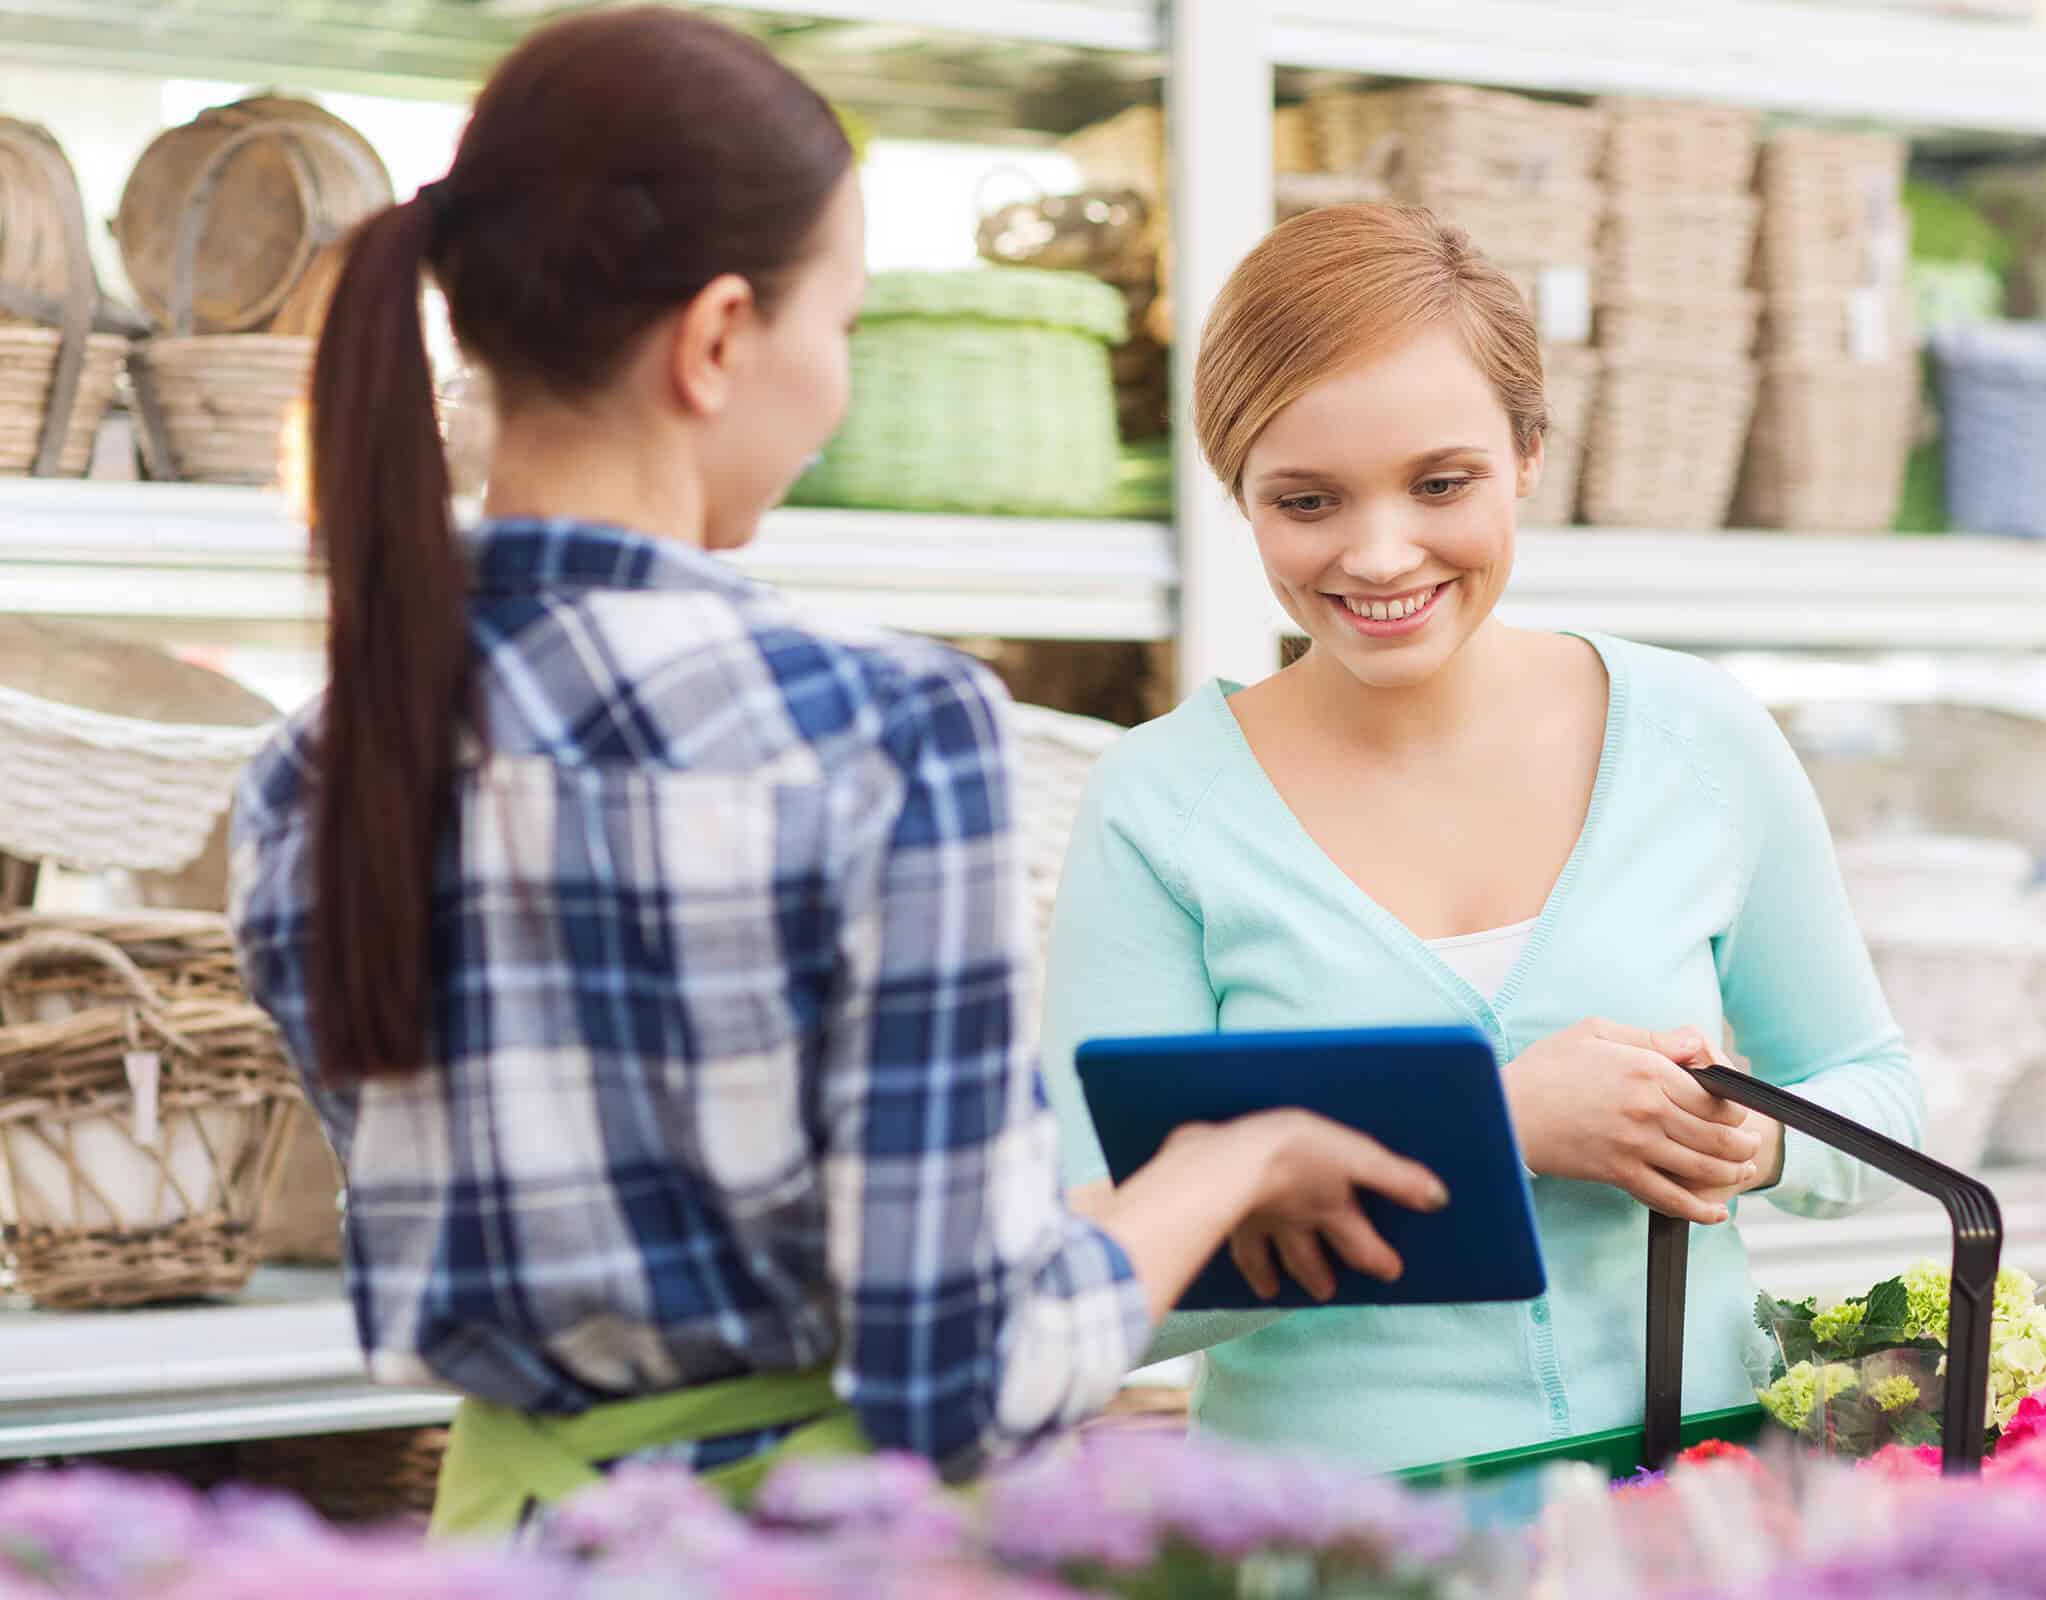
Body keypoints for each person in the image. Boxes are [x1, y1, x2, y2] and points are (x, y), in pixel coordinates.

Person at [227, 9, 1445, 1539]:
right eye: (844, 325)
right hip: (807, 1544)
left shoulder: (308, 772)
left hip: (504, 1543)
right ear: (720, 337)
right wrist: (1233, 1162)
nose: (838, 389)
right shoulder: (881, 728)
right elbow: (963, 1370)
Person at [1041, 203, 1925, 1473]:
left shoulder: (1696, 736)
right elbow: (1098, 1281)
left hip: (1686, 1505)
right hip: (1337, 1540)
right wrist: (1492, 1128)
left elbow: (1879, 1092)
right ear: (1238, 492)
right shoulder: (1161, 803)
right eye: (1307, 500)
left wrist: (1752, 1134)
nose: (1379, 553)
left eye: (1440, 482)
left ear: (1528, 451)